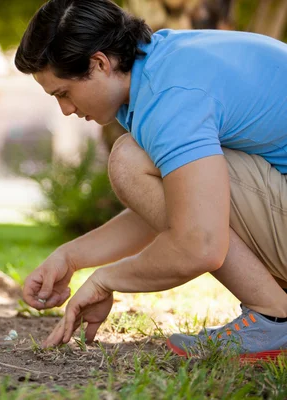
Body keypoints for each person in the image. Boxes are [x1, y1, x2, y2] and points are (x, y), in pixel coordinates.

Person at [15, 0, 287, 361]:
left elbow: (198, 243)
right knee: (136, 159)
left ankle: (273, 317)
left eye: (64, 93)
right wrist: (71, 258)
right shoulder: (164, 64)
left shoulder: (169, 98)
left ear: (99, 63)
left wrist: (106, 279)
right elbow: (181, 203)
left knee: (129, 159)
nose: (65, 110)